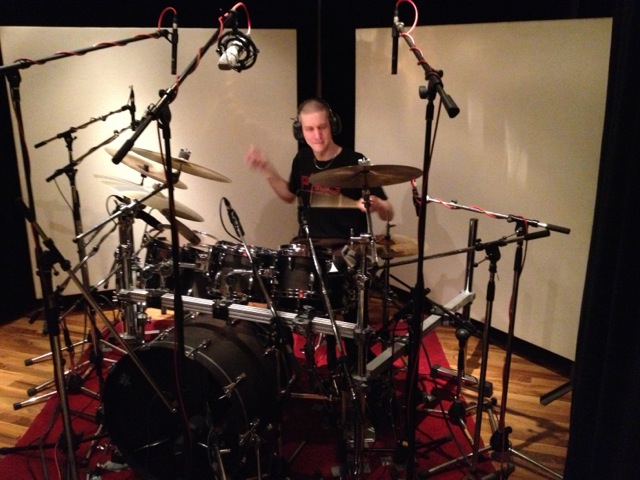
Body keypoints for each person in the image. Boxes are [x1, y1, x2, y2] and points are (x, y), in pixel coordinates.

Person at [245, 98, 394, 370]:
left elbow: (388, 212)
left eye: (322, 127)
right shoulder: (302, 159)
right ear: (300, 130)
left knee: (345, 306)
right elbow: (289, 195)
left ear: (332, 125)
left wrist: (378, 205)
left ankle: (353, 356)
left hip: (346, 249)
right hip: (309, 246)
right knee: (277, 290)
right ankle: (284, 363)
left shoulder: (355, 161)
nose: (317, 135)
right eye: (309, 129)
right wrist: (266, 168)